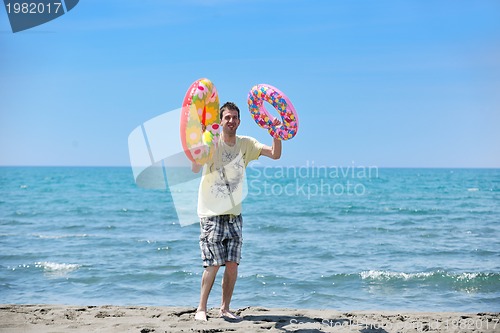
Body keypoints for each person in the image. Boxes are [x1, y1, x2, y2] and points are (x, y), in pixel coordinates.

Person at [191, 101, 282, 321]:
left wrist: (276, 133)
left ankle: (225, 308)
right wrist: (203, 138)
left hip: (234, 216)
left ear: (239, 121)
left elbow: (275, 154)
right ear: (220, 121)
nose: (231, 121)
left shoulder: (246, 144)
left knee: (232, 265)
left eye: (234, 118)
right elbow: (195, 166)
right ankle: (201, 309)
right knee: (213, 264)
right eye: (227, 117)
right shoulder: (211, 141)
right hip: (211, 214)